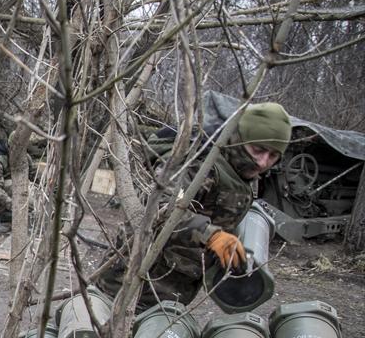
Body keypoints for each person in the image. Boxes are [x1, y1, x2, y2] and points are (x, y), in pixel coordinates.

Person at [96, 102, 292, 311]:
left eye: (272, 156)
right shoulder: (196, 162)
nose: (263, 162)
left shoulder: (239, 171)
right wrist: (210, 235)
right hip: (129, 282)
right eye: (258, 150)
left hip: (170, 291)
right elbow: (158, 208)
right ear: (239, 138)